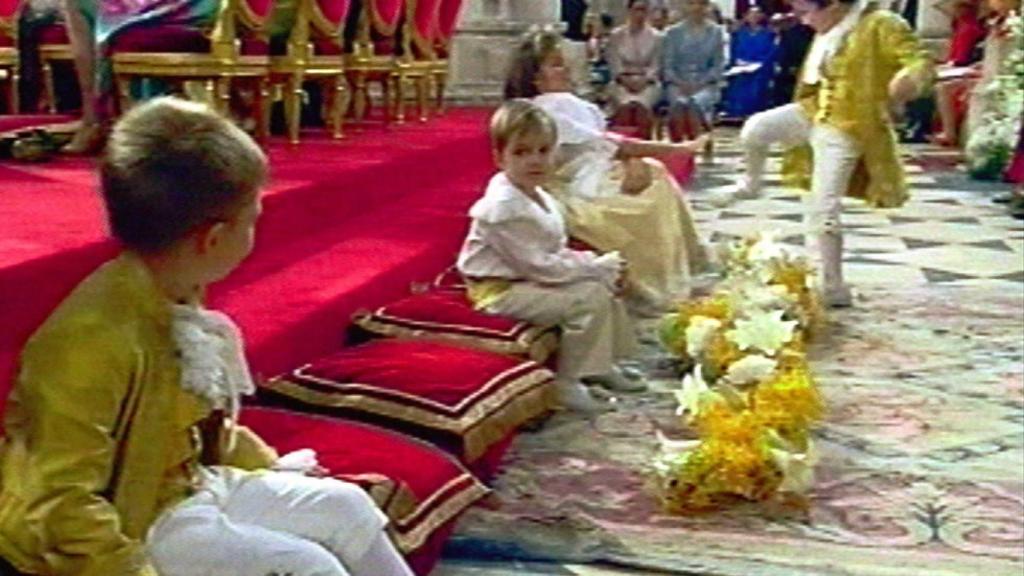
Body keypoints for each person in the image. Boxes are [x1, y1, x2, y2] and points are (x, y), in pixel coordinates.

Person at [0, 97, 413, 576]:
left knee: (348, 508)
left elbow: (194, 424)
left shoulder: (175, 289)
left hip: (189, 486)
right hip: (133, 521)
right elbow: (59, 501)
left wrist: (266, 464)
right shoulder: (89, 339)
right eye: (254, 217)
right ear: (212, 239)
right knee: (307, 565)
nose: (260, 228)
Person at [720, 0, 932, 307]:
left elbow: (920, 60)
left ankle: (833, 287)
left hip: (848, 125)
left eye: (807, 12)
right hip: (813, 110)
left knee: (824, 208)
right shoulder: (827, 28)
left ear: (833, 6)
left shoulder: (880, 22)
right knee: (755, 129)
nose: (804, 22)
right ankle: (751, 183)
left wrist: (908, 80)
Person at [504, 30, 712, 313]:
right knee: (648, 192)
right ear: (535, 78)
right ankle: (657, 280)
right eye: (554, 64)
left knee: (654, 174)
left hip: (591, 172)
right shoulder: (547, 107)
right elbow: (611, 144)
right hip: (569, 184)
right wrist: (677, 149)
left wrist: (634, 161)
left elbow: (604, 144)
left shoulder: (562, 102)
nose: (564, 69)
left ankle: (682, 266)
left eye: (563, 62)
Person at [458, 100, 643, 414]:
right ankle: (566, 382)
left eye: (543, 151)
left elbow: (552, 250)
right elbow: (541, 268)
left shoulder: (536, 192)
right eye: (521, 152)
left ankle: (599, 365)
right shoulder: (504, 208)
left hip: (528, 277)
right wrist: (594, 266)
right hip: (499, 290)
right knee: (587, 297)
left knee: (603, 287)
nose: (535, 160)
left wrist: (594, 266)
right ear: (499, 158)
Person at [661, 0, 725, 143]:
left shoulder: (716, 32)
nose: (696, 8)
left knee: (693, 103)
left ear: (707, 7)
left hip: (706, 84)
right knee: (679, 103)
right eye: (692, 3)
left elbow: (718, 65)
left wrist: (700, 83)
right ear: (685, 6)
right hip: (677, 83)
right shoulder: (672, 33)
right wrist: (680, 82)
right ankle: (677, 148)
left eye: (701, 3)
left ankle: (693, 145)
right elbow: (667, 65)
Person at [930, 0, 987, 146]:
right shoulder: (961, 26)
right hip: (963, 67)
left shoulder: (969, 27)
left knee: (941, 86)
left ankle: (949, 134)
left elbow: (961, 59)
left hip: (968, 68)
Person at [607, 0, 664, 138]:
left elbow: (657, 65)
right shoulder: (616, 35)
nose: (640, 14)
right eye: (637, 9)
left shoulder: (657, 37)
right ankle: (623, 146)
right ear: (629, 11)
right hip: (622, 81)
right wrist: (624, 79)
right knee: (625, 106)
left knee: (640, 106)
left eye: (644, 10)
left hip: (648, 83)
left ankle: (644, 146)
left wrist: (644, 80)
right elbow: (614, 63)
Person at [721, 5, 777, 118]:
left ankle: (753, 112)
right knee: (738, 82)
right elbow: (734, 51)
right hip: (740, 67)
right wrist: (739, 62)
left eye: (757, 13)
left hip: (760, 69)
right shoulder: (739, 33)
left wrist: (759, 64)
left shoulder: (769, 34)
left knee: (757, 84)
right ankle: (735, 112)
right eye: (751, 13)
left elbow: (771, 53)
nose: (754, 16)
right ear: (746, 16)